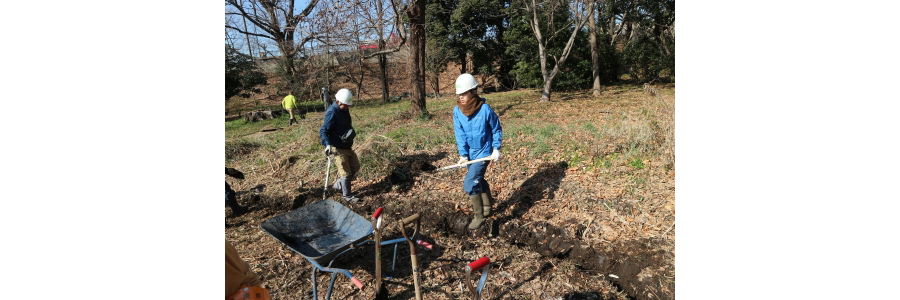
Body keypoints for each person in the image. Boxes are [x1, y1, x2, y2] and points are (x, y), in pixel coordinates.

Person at [452, 73, 502, 229]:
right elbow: (459, 134)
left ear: (473, 91)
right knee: (477, 179)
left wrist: (496, 148)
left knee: (469, 183)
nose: (461, 97)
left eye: (464, 93)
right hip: (471, 154)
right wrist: (463, 154)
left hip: (484, 152)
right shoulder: (457, 111)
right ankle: (487, 207)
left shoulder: (485, 109)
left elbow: (496, 129)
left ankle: (479, 216)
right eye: (459, 94)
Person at [320, 88, 360, 203]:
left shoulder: (344, 109)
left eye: (348, 105)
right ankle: (347, 196)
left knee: (355, 166)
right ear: (338, 102)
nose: (348, 107)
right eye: (346, 105)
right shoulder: (332, 112)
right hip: (337, 147)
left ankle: (338, 185)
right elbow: (323, 130)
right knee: (345, 173)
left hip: (347, 146)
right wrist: (327, 145)